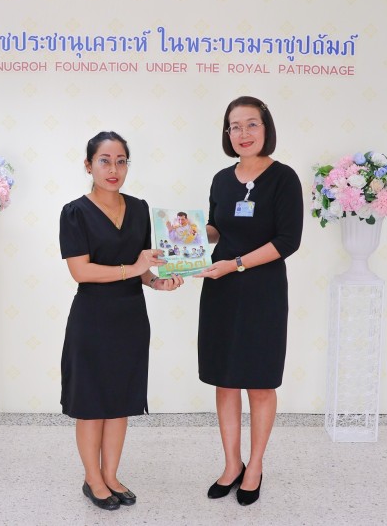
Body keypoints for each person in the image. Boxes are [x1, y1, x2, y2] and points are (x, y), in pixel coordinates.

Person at [59, 131, 184, 511]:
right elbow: (81, 271)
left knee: (119, 401)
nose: (113, 169)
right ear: (88, 165)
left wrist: (158, 282)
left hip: (131, 317)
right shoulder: (74, 212)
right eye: (104, 160)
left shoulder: (140, 208)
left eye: (121, 161)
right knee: (91, 403)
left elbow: (143, 266)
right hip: (92, 318)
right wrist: (135, 267)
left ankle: (111, 475)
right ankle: (92, 479)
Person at [195, 96, 303, 506]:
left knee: (259, 382)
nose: (243, 133)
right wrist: (182, 235)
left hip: (263, 292)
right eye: (235, 126)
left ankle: (254, 466)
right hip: (221, 291)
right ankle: (231, 464)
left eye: (251, 124)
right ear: (227, 133)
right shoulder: (222, 179)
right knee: (225, 381)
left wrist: (236, 264)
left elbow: (287, 241)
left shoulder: (284, 178)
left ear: (266, 128)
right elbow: (216, 228)